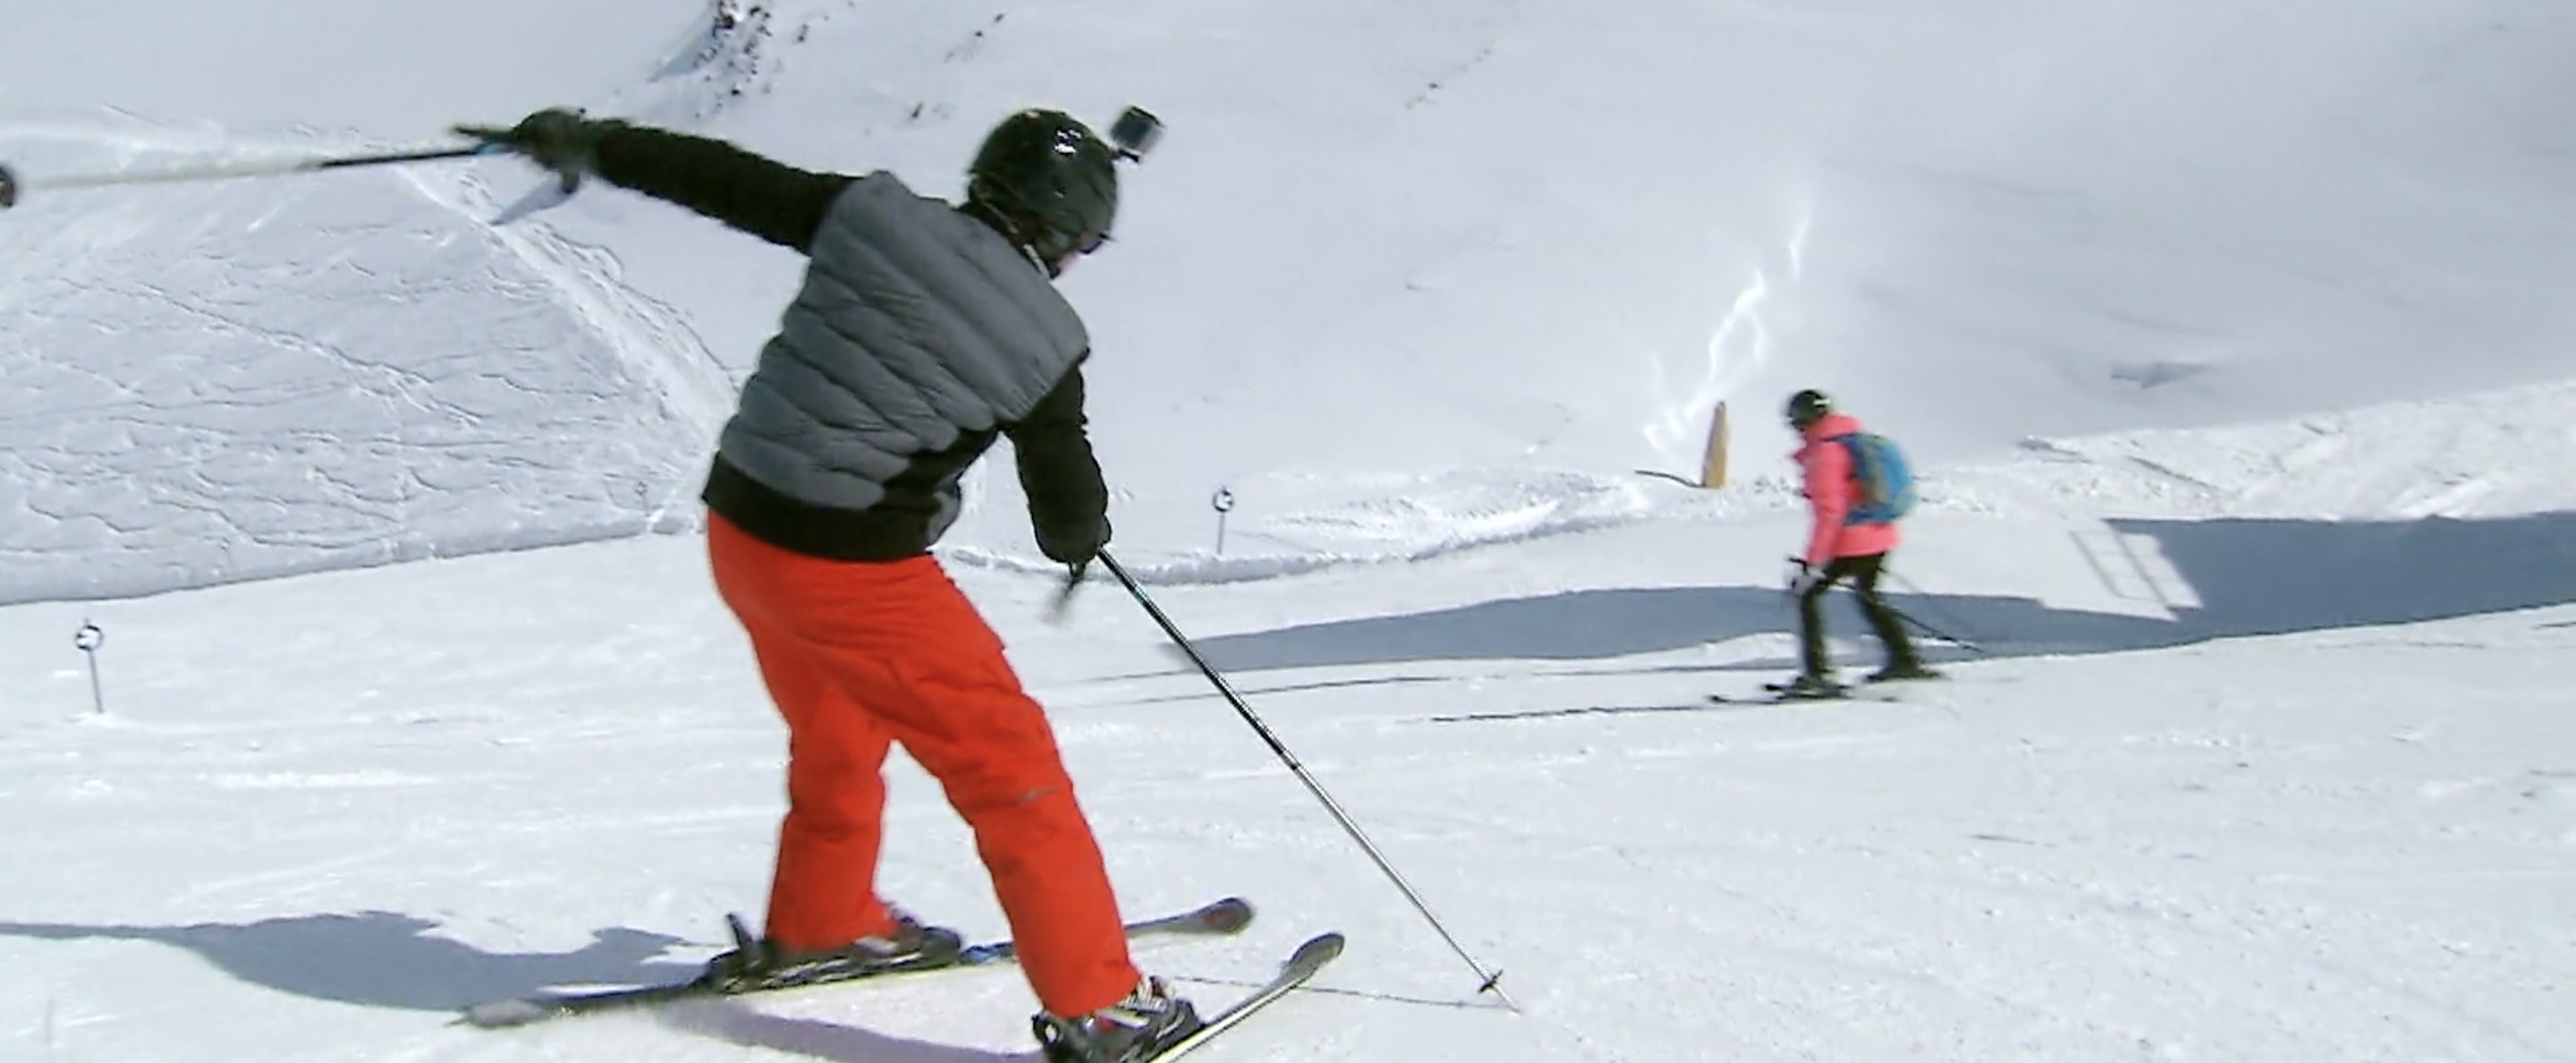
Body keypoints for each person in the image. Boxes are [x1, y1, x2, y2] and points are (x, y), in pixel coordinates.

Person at [453, 106, 1199, 1063]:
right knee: (1010, 773)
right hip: (853, 569)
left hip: (743, 530)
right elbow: (1065, 511)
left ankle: (824, 917)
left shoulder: (872, 218)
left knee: (840, 722)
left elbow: (719, 175)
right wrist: (1083, 535)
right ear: (1065, 233)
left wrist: (595, 142)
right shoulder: (1047, 348)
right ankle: (1100, 1005)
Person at [1779, 388, 1937, 696]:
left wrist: (1814, 562)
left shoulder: (1825, 455)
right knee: (1868, 595)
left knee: (1808, 596)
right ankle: (1904, 659)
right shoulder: (1850, 439)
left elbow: (1830, 514)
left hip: (1851, 541)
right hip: (1880, 535)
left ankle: (1818, 673)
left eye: (1796, 422)